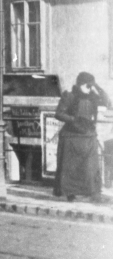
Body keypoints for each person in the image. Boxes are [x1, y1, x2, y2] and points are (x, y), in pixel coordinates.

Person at [53, 71, 109, 202]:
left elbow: (107, 102)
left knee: (90, 167)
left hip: (88, 136)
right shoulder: (69, 95)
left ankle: (92, 192)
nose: (89, 88)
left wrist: (97, 87)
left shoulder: (93, 97)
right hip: (71, 136)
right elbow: (58, 114)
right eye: (87, 85)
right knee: (70, 168)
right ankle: (70, 193)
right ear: (79, 84)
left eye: (90, 86)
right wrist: (74, 119)